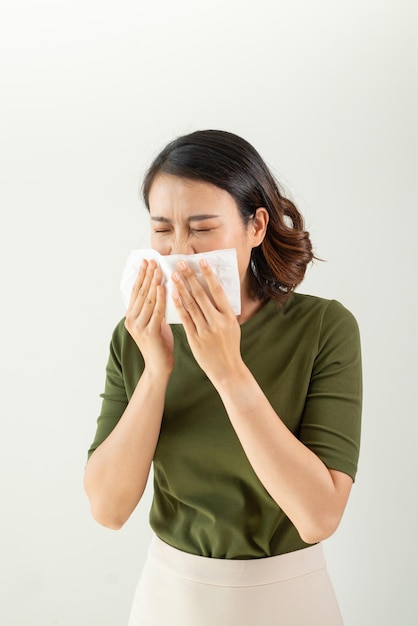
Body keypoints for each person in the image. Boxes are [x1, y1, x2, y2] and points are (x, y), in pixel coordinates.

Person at [84, 129, 362, 625]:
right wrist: (156, 372)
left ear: (255, 226)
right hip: (169, 600)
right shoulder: (137, 335)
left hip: (291, 600)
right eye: (162, 229)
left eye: (202, 228)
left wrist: (228, 370)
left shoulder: (323, 328)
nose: (180, 252)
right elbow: (108, 509)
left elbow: (319, 517)